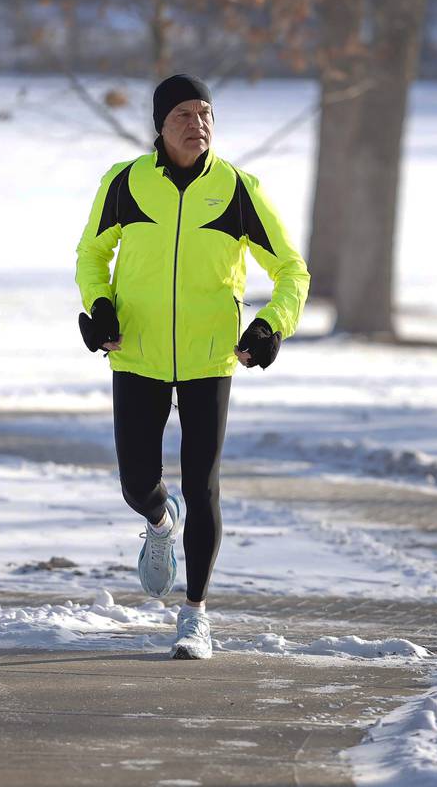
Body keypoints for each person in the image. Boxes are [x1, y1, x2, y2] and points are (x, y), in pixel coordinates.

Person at [74, 74, 310, 660]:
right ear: (159, 123)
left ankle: (195, 616)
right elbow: (92, 254)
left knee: (203, 487)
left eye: (205, 113)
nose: (198, 123)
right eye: (184, 113)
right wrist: (99, 304)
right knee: (135, 482)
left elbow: (291, 270)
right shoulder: (126, 183)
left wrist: (270, 324)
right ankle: (159, 522)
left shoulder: (236, 189)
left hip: (210, 357)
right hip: (137, 352)